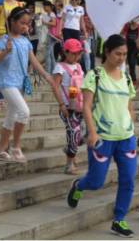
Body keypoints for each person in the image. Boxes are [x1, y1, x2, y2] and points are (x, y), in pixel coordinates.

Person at [66, 34, 137, 238]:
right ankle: (78, 185)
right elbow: (86, 107)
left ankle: (119, 219)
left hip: (126, 138)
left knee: (128, 179)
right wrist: (92, 132)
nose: (121, 58)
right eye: (118, 54)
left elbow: (130, 105)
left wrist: (131, 123)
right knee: (96, 181)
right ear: (107, 52)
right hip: (102, 138)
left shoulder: (126, 77)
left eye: (124, 54)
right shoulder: (95, 75)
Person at [0, 7, 62, 163]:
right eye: (22, 23)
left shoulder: (25, 42)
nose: (25, 26)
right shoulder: (3, 40)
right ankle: (16, 147)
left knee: (11, 117)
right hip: (7, 83)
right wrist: (5, 51)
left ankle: (1, 150)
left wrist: (47, 76)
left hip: (20, 83)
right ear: (12, 22)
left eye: (27, 24)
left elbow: (34, 61)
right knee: (24, 112)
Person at [53, 39, 85, 175]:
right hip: (67, 107)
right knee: (74, 133)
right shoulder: (59, 67)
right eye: (73, 53)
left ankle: (69, 149)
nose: (76, 56)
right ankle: (69, 165)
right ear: (65, 52)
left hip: (79, 106)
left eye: (79, 53)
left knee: (81, 136)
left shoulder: (79, 66)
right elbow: (55, 87)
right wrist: (61, 105)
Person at [40, 1, 58, 73]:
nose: (44, 8)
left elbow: (54, 23)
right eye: (43, 6)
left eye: (45, 6)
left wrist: (45, 22)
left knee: (48, 54)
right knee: (51, 54)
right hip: (51, 34)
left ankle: (48, 71)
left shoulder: (52, 14)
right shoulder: (48, 14)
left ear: (49, 7)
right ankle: (54, 69)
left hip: (52, 35)